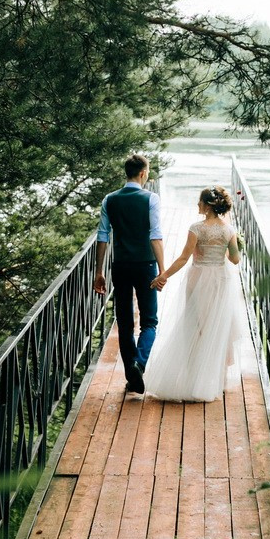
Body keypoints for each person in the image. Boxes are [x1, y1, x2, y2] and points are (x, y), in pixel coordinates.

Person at [143, 185, 241, 403]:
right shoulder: (229, 230)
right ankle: (216, 381)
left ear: (207, 206)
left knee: (195, 326)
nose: (197, 205)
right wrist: (228, 248)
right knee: (217, 326)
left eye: (200, 202)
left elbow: (183, 258)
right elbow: (235, 260)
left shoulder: (196, 229)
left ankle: (194, 377)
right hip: (221, 280)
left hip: (198, 280)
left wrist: (164, 275)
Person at [94, 153, 164, 395]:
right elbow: (155, 235)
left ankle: (132, 378)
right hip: (145, 265)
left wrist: (98, 271)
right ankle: (139, 363)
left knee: (124, 322)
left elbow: (102, 237)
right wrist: (163, 270)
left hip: (120, 265)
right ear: (143, 174)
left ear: (127, 172)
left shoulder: (109, 200)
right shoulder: (151, 199)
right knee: (150, 321)